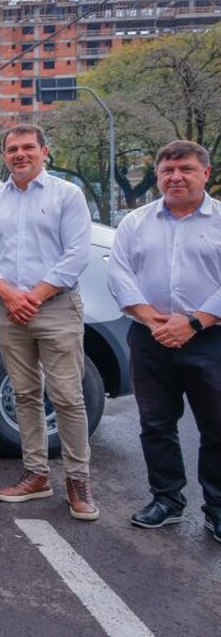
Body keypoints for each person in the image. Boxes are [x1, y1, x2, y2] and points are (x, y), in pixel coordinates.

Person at [0, 124, 98, 521]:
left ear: (45, 152)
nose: (20, 154)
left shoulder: (67, 195)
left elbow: (77, 253)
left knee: (67, 396)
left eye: (28, 147)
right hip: (8, 308)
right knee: (25, 394)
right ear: (5, 155)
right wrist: (10, 295)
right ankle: (36, 474)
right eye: (12, 149)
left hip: (56, 307)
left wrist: (35, 296)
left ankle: (78, 481)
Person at [107, 140, 221, 543]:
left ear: (205, 173)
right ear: (157, 176)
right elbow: (119, 275)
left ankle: (218, 507)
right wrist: (152, 319)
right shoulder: (135, 222)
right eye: (168, 171)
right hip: (151, 336)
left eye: (186, 169)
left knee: (216, 425)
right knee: (156, 424)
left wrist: (192, 322)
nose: (176, 177)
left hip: (211, 338)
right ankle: (167, 500)